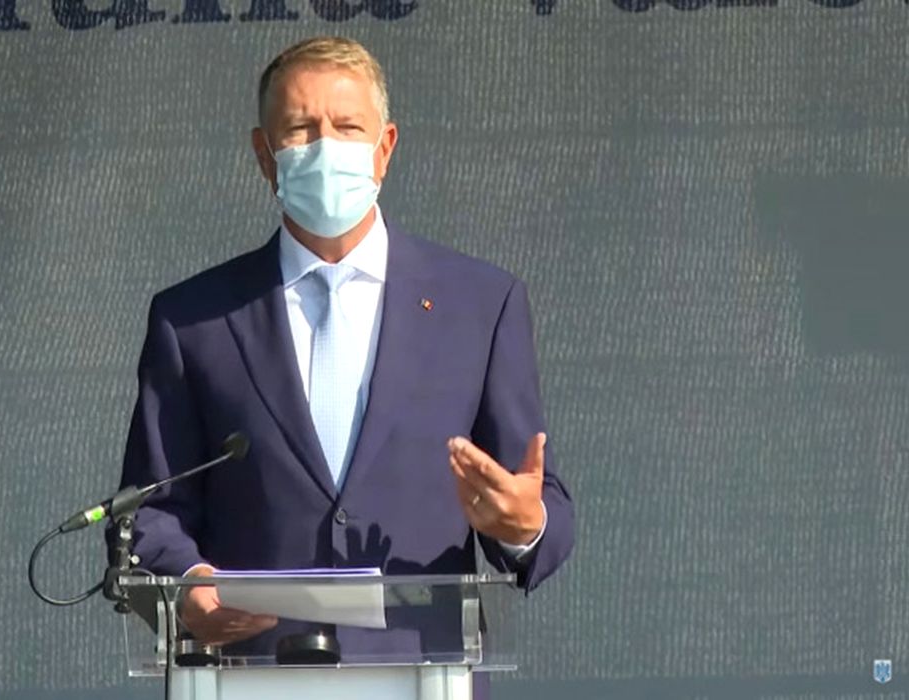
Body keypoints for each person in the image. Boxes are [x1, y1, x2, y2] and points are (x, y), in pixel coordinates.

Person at [117, 36, 573, 650]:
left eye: (348, 127)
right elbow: (150, 511)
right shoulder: (195, 319)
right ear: (265, 154)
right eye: (300, 130)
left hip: (424, 669)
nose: (325, 147)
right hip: (252, 671)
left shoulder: (480, 305)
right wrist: (189, 586)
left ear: (384, 148)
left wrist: (524, 526)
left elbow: (536, 500)